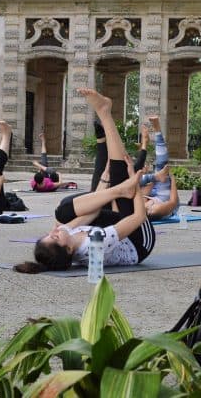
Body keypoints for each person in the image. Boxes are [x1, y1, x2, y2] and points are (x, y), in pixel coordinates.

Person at [15, 88, 155, 273]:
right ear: (69, 249)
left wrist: (106, 179)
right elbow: (138, 217)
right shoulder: (95, 244)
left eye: (48, 234)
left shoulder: (68, 236)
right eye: (55, 237)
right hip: (139, 241)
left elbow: (93, 209)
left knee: (64, 211)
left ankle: (105, 129)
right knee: (121, 174)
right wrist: (133, 183)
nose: (54, 231)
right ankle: (104, 112)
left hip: (116, 227)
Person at [138, 115, 179, 219]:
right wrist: (173, 180)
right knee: (161, 166)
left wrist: (150, 177)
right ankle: (157, 129)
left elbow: (144, 191)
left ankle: (144, 144)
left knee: (133, 179)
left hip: (150, 194)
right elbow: (173, 202)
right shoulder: (155, 211)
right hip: (164, 198)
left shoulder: (138, 208)